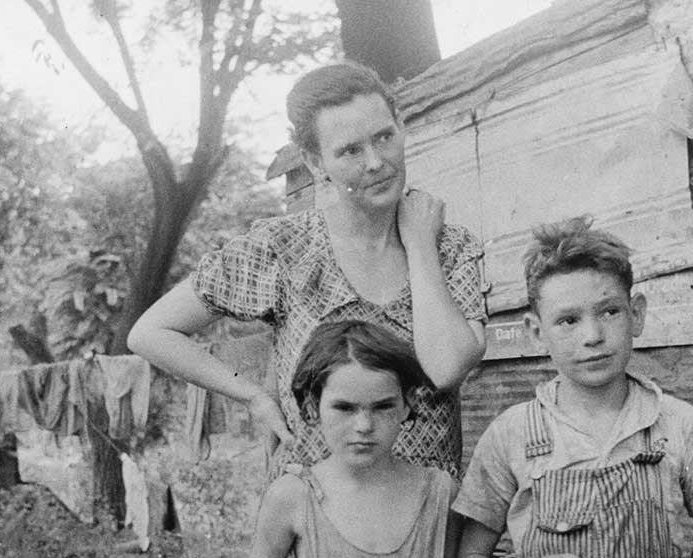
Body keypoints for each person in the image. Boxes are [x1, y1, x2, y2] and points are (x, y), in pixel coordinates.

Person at [127, 61, 486, 479]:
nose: (375, 162)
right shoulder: (284, 249)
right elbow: (149, 332)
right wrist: (252, 394)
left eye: (384, 137)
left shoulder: (449, 246)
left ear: (401, 129)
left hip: (427, 520)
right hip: (310, 513)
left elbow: (446, 368)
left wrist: (421, 245)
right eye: (350, 150)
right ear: (316, 163)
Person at [452, 217, 693, 558]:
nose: (593, 335)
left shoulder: (679, 424)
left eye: (609, 312)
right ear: (537, 332)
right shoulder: (511, 433)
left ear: (637, 314)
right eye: (568, 321)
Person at [231, 320, 481, 558]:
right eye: (344, 408)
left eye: (382, 406)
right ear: (312, 406)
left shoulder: (439, 494)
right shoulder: (293, 497)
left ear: (407, 404)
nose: (363, 425)